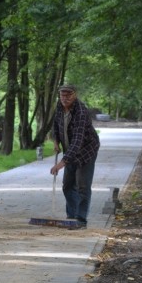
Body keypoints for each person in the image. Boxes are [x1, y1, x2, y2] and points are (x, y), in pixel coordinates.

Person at [50, 84, 100, 229]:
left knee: (82, 186)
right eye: (62, 95)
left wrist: (61, 163)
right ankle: (71, 216)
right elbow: (56, 125)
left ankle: (81, 220)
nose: (65, 98)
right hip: (70, 151)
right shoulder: (59, 107)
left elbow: (78, 140)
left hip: (86, 151)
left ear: (75, 95)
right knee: (67, 185)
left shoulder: (81, 112)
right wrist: (56, 141)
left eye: (68, 95)